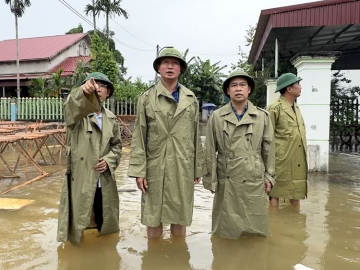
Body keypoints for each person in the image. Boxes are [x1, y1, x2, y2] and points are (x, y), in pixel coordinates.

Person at [128, 47, 207, 238]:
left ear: (180, 69)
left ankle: (178, 258)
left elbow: (195, 134)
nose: (170, 66)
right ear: (158, 68)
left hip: (182, 165)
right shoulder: (146, 98)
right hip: (155, 165)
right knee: (152, 214)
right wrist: (139, 171)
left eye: (174, 63)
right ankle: (153, 258)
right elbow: (139, 135)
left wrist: (198, 168)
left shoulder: (191, 98)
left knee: (180, 214)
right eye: (165, 63)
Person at [203, 70, 276, 239]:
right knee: (224, 230)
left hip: (253, 174)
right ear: (228, 91)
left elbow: (269, 148)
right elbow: (209, 150)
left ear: (249, 89)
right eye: (234, 85)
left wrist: (269, 177)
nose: (238, 89)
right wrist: (211, 180)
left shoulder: (262, 116)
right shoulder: (216, 117)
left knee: (254, 228)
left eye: (242, 85)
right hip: (226, 175)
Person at [57, 72, 122, 247]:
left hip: (104, 180)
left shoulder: (112, 119)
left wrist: (109, 160)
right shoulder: (76, 116)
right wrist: (81, 92)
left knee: (106, 223)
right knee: (78, 225)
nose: (98, 89)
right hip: (81, 180)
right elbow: (70, 105)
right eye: (94, 85)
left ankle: (105, 258)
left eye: (103, 86)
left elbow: (117, 147)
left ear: (108, 92)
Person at [267, 73, 307, 207]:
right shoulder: (274, 108)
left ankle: (296, 222)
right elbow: (267, 135)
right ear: (289, 89)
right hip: (280, 159)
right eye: (298, 84)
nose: (300, 87)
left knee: (297, 189)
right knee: (276, 191)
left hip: (297, 158)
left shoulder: (296, 107)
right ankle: (274, 221)